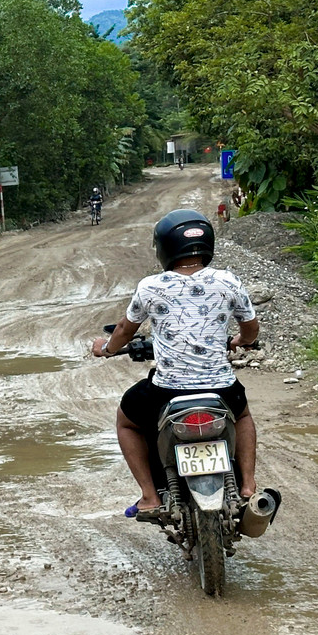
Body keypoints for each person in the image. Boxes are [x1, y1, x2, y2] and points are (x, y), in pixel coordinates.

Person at [91, 209, 260, 517]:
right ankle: (248, 487)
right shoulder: (228, 281)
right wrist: (241, 341)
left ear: (164, 248)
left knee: (126, 421)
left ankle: (149, 497)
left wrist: (106, 348)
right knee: (244, 415)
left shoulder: (150, 286)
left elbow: (125, 331)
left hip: (167, 391)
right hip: (221, 389)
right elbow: (251, 328)